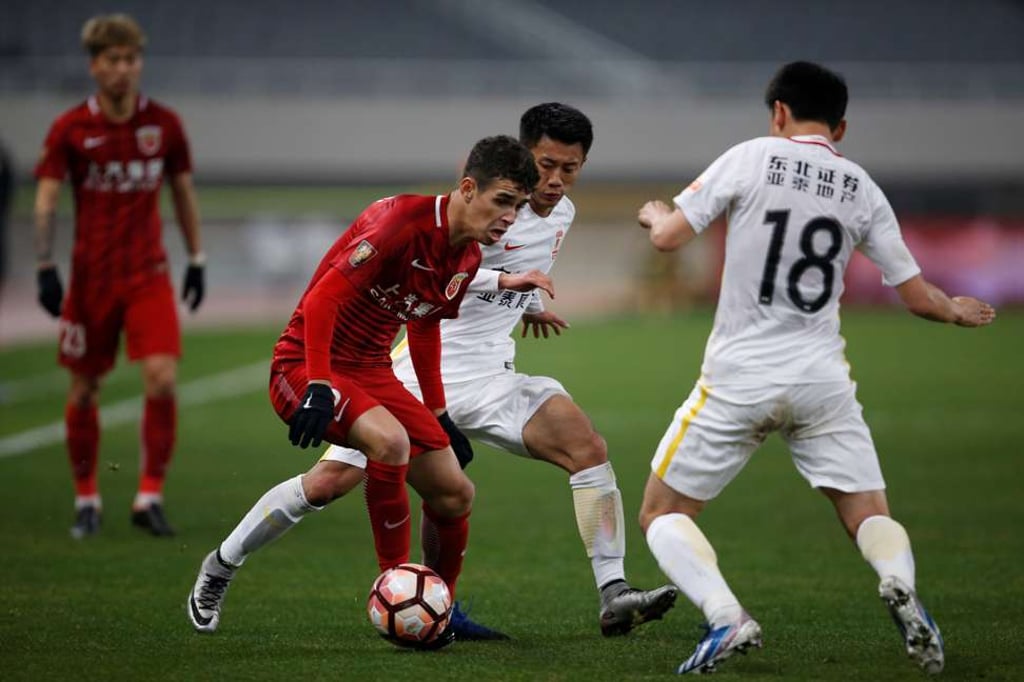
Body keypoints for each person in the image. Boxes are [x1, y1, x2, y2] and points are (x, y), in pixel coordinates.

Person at [635, 61, 996, 675]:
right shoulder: (862, 187)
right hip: (821, 378)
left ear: (778, 112)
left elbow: (669, 238)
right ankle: (897, 582)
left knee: (663, 513)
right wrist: (955, 311)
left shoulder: (751, 156)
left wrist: (652, 214)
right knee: (868, 511)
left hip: (740, 376)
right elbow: (917, 298)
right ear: (842, 126)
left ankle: (726, 616)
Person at [324, 102, 677, 640]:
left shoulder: (563, 216)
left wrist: (532, 305)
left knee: (587, 445)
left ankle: (614, 592)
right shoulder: (483, 207)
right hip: (423, 372)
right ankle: (223, 565)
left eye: (570, 168)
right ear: (521, 156)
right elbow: (453, 272)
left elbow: (519, 270)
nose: (555, 181)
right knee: (329, 482)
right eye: (545, 165)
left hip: (492, 375)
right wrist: (512, 286)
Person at [188, 135, 544, 650]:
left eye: (519, 206)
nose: (510, 217)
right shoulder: (399, 223)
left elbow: (423, 327)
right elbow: (322, 299)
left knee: (454, 492)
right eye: (504, 201)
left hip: (374, 370)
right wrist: (317, 385)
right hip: (306, 362)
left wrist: (438, 414)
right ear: (468, 188)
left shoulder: (464, 258)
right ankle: (388, 584)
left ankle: (436, 608)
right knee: (389, 445)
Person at [33, 14, 205, 539]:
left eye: (131, 59)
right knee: (84, 389)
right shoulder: (70, 129)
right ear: (95, 66)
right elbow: (45, 198)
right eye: (113, 60)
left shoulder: (165, 125)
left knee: (162, 376)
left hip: (147, 275)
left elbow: (181, 190)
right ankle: (87, 498)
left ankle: (148, 495)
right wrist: (45, 265)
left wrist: (196, 257)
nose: (124, 70)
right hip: (90, 282)